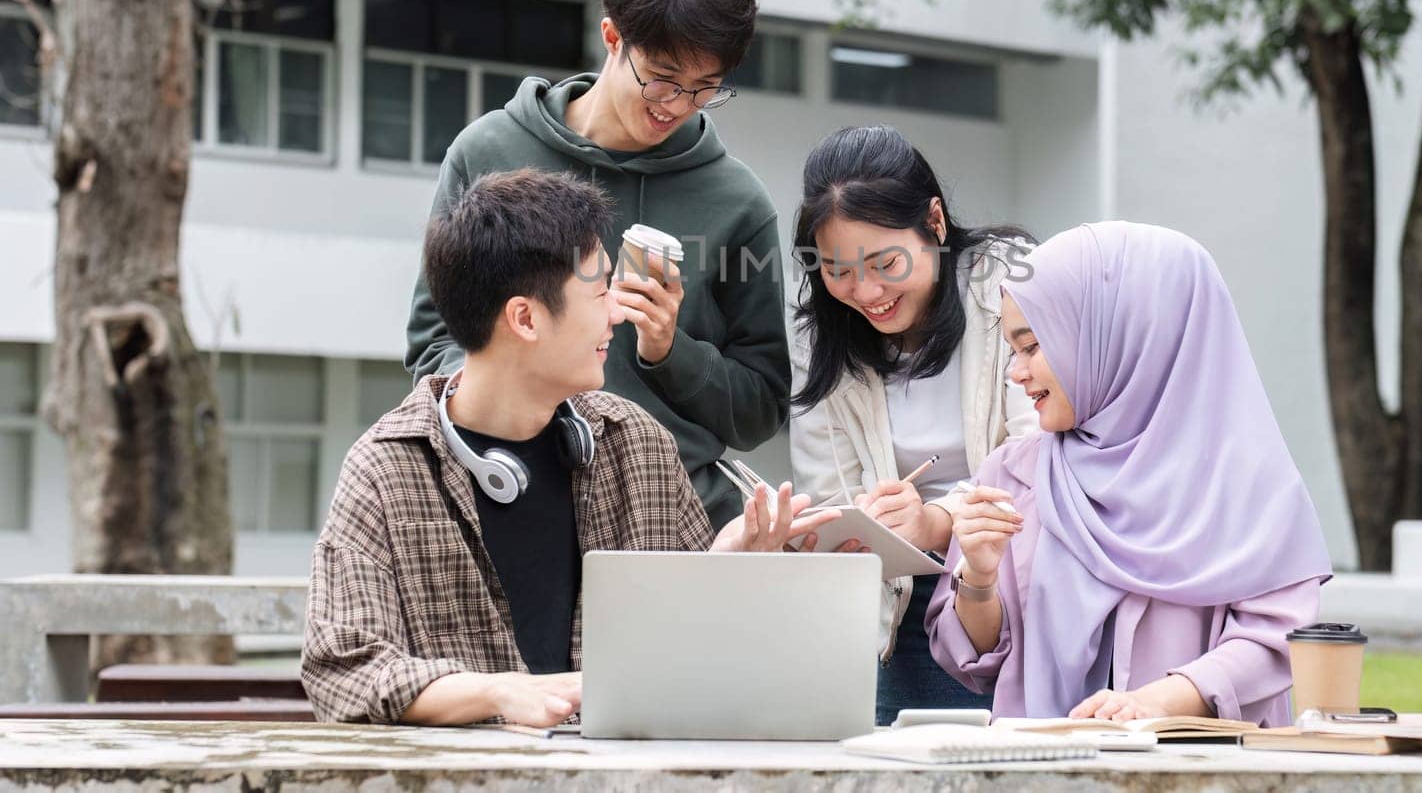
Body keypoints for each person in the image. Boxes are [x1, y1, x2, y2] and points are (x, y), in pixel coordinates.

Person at [305, 170, 842, 726]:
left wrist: (725, 570)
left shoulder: (636, 445)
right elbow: (342, 673)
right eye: (600, 290)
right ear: (525, 318)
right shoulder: (386, 469)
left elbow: (689, 656)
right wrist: (498, 693)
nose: (617, 312)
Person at [405, 0, 787, 529]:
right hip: (512, 496)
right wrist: (522, 388)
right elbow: (432, 344)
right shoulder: (489, 153)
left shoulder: (736, 201)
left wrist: (670, 352)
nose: (677, 104)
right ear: (613, 37)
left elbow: (761, 411)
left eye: (704, 88)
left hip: (675, 519)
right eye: (661, 77)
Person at [928, 222, 1332, 722]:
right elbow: (973, 658)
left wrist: (1153, 704)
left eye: (1032, 346)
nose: (1016, 372)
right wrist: (980, 577)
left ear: (1121, 334)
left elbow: (1276, 638)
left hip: (1201, 771)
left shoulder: (1250, 486)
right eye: (1014, 349)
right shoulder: (1013, 474)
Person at [787, 125, 1038, 725]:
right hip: (889, 607)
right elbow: (831, 493)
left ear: (935, 222)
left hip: (1015, 584)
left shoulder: (1011, 285)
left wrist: (936, 521)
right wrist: (859, 527)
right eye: (838, 270)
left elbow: (1044, 456)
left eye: (885, 262)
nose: (865, 291)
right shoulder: (817, 337)